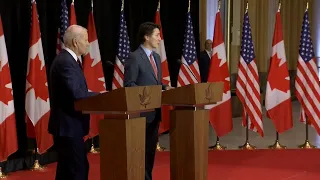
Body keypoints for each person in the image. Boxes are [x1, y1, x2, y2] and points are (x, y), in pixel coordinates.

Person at [124, 22, 173, 180]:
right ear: (146, 37)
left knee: (150, 152)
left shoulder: (157, 58)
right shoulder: (134, 57)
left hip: (154, 112)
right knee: (139, 153)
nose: (160, 39)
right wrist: (150, 92)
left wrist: (165, 87)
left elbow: (155, 83)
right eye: (157, 35)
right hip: (139, 114)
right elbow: (129, 84)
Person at [48, 25, 98, 180]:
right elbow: (77, 94)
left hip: (70, 126)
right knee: (78, 171)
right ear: (76, 42)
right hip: (68, 126)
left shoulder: (70, 60)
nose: (88, 43)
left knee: (67, 171)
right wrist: (103, 96)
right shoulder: (65, 62)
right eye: (85, 39)